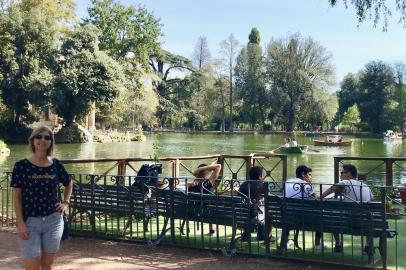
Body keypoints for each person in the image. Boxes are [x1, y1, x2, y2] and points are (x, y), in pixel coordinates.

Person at [11, 125, 73, 270]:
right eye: (39, 136)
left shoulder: (56, 164)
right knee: (31, 266)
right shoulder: (21, 166)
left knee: (47, 265)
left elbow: (69, 184)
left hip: (54, 221)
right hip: (29, 222)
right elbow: (17, 197)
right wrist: (20, 223)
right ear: (32, 140)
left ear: (51, 142)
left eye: (47, 137)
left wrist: (65, 202)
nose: (42, 140)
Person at [321, 164, 373, 252]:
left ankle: (338, 243)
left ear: (348, 173)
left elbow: (333, 188)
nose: (340, 175)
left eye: (342, 173)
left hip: (348, 222)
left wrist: (320, 197)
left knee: (332, 216)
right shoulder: (365, 186)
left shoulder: (347, 182)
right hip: (366, 224)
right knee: (369, 216)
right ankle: (367, 244)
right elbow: (372, 199)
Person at [284, 165, 323, 250]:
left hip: (286, 218)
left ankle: (286, 241)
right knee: (321, 216)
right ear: (303, 174)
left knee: (289, 211)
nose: (311, 177)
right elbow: (318, 199)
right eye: (309, 174)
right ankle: (317, 244)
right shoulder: (306, 185)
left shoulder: (287, 182)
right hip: (304, 219)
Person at [238, 166, 274, 242]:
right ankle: (267, 236)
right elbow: (270, 198)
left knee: (252, 210)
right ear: (259, 176)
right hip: (253, 218)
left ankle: (246, 234)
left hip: (239, 216)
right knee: (270, 213)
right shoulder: (261, 184)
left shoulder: (243, 184)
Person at [188, 163, 222, 235]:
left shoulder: (190, 187)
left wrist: (199, 170)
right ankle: (211, 229)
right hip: (205, 212)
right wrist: (200, 169)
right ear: (207, 173)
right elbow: (218, 166)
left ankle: (211, 229)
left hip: (190, 212)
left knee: (206, 203)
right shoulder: (207, 184)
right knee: (209, 204)